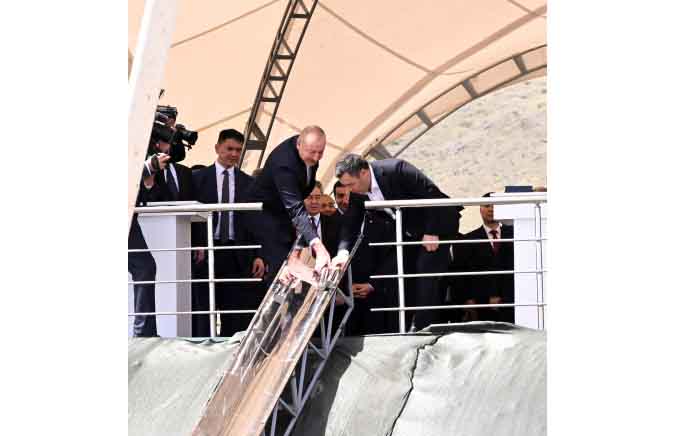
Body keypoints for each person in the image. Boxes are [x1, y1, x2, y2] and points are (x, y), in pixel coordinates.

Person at [334, 154, 463, 331]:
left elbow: (431, 193)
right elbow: (351, 222)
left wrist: (432, 231)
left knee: (426, 268)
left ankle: (422, 327)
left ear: (363, 173)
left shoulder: (397, 169)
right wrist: (342, 253)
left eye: (351, 184)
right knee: (397, 268)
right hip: (411, 231)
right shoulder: (357, 191)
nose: (349, 190)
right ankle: (405, 325)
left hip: (438, 223)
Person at [192, 129, 265, 336]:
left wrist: (259, 254)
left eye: (238, 150)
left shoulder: (249, 183)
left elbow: (256, 222)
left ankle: (229, 349)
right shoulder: (197, 179)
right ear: (217, 148)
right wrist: (196, 244)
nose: (234, 154)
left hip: (237, 254)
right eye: (229, 148)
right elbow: (189, 218)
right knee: (203, 311)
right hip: (205, 253)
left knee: (234, 314)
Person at [247, 125, 333, 287]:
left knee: (293, 257)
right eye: (312, 152)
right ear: (299, 145)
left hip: (285, 213)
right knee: (281, 266)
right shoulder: (283, 164)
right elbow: (295, 208)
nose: (316, 158)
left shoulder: (308, 151)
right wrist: (318, 246)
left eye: (320, 152)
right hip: (266, 213)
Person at [128, 142, 172, 337]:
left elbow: (146, 196)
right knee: (144, 267)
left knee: (145, 267)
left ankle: (144, 332)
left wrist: (148, 176)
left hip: (129, 219)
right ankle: (143, 332)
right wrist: (147, 167)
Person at [459, 192, 515, 323]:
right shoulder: (468, 240)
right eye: (487, 206)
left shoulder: (517, 234)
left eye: (494, 206)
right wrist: (470, 300)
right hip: (481, 304)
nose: (491, 209)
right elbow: (462, 273)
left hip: (514, 301)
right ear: (480, 209)